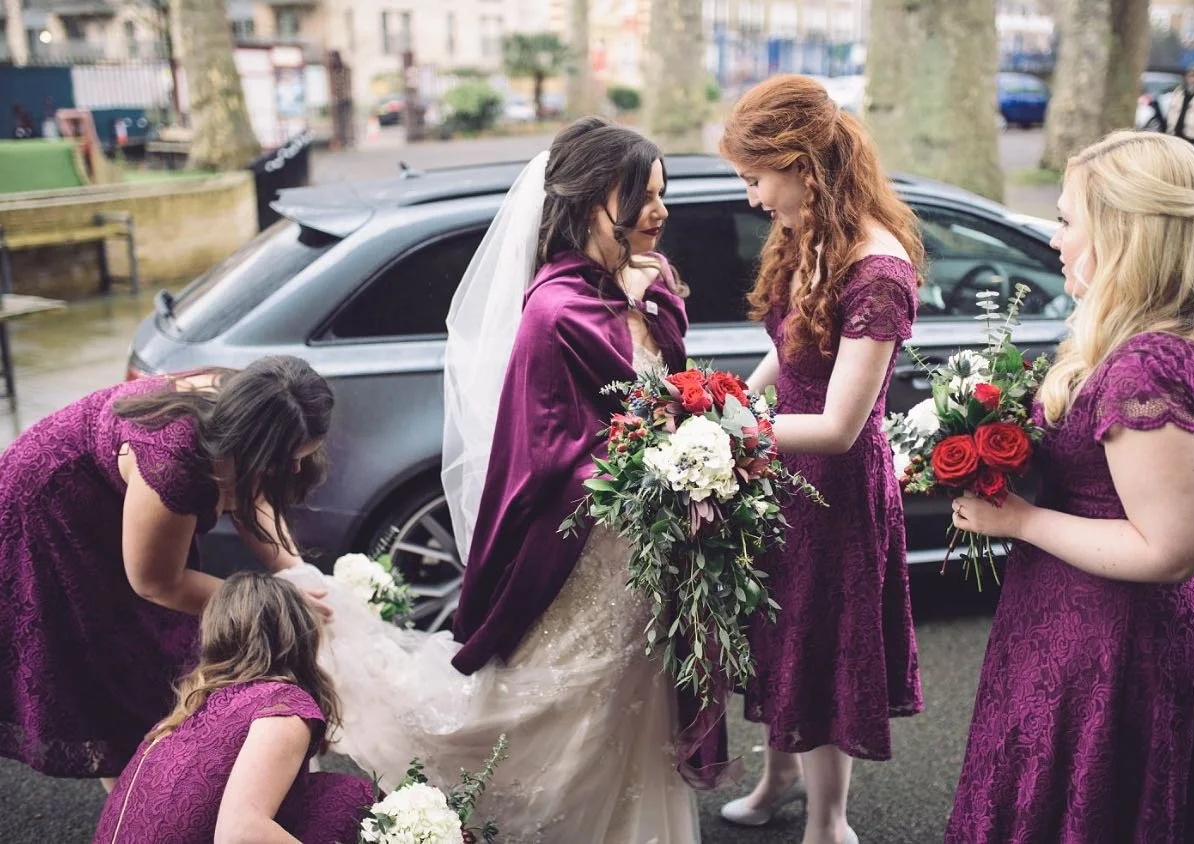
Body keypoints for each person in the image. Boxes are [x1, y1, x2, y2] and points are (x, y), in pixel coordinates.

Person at [280, 116, 722, 841]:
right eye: (642, 194)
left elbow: (667, 393)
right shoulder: (554, 313)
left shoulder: (635, 286)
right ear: (588, 200)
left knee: (634, 702)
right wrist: (663, 464)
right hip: (593, 554)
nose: (661, 210)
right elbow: (548, 455)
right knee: (575, 705)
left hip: (647, 549)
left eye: (661, 193)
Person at [945, 130, 1194, 842]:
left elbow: (1171, 549)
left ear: (1121, 232)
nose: (1053, 239)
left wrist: (1019, 520)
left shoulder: (1143, 368)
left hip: (1114, 649)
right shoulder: (1146, 339)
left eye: (1064, 219)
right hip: (1076, 622)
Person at [715, 74, 925, 844]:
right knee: (780, 635)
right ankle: (777, 778)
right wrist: (730, 399)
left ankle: (829, 824)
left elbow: (840, 424)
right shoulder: (807, 230)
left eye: (755, 178)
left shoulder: (878, 270)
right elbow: (788, 352)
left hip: (834, 487)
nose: (751, 197)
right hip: (782, 474)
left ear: (800, 163)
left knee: (826, 645)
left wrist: (728, 437)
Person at [0, 355, 334, 788]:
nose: (293, 469)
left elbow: (255, 493)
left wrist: (294, 569)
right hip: (48, 514)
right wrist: (274, 601)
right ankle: (137, 807)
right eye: (289, 457)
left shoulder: (248, 404)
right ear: (256, 442)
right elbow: (157, 583)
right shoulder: (174, 459)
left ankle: (163, 791)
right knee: (115, 672)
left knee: (157, 656)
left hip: (115, 500)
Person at [94, 571, 374, 843]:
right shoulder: (282, 704)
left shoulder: (192, 708)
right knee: (345, 796)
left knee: (307, 793)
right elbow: (240, 833)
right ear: (300, 634)